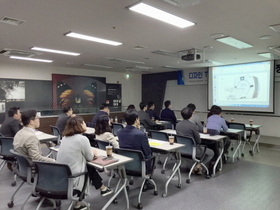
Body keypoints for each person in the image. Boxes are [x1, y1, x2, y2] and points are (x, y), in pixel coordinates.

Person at [57, 116, 112, 210]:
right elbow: (89, 157)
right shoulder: (82, 139)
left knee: (86, 165)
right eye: (83, 123)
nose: (85, 124)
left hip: (62, 176)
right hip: (74, 177)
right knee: (88, 165)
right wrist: (93, 153)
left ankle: (81, 202)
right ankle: (102, 188)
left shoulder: (65, 138)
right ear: (79, 125)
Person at [117, 109, 154, 191]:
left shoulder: (119, 132)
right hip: (140, 166)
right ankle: (146, 182)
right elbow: (147, 152)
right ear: (137, 120)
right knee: (150, 156)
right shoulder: (141, 134)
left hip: (124, 164)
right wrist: (138, 130)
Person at [176, 107, 214, 174]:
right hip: (193, 150)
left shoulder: (177, 125)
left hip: (181, 149)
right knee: (211, 153)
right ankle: (198, 165)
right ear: (191, 116)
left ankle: (194, 166)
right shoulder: (193, 126)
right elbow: (198, 141)